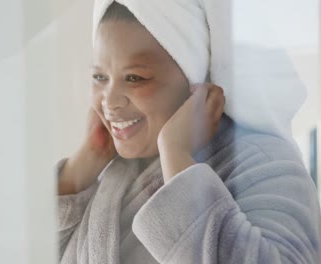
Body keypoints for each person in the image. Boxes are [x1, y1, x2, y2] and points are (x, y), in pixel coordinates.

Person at [57, 1, 321, 263]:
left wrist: (177, 155)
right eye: (100, 77)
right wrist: (84, 164)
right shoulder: (115, 174)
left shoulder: (265, 163)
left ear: (195, 79)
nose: (109, 101)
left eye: (135, 77)